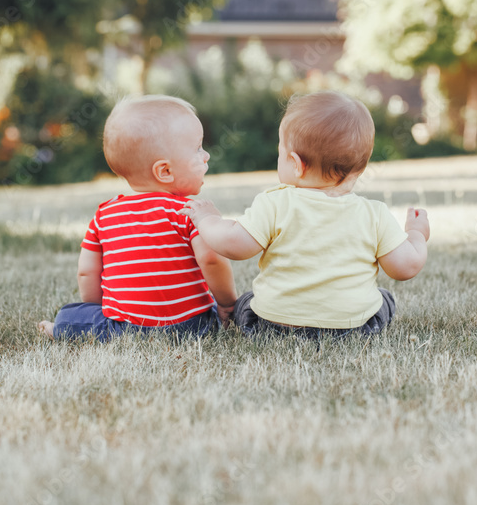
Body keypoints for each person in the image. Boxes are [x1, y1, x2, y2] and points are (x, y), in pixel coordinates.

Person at [182, 91, 429, 338]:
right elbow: (405, 267)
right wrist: (416, 233)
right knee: (384, 299)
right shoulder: (375, 214)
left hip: (273, 328)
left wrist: (207, 218)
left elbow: (233, 244)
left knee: (247, 301)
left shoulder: (275, 203)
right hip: (353, 329)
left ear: (296, 164)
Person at [39, 95, 237, 340]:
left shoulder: (104, 214)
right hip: (193, 326)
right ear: (164, 171)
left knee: (69, 316)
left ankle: (59, 329)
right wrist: (228, 303)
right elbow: (211, 259)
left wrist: (96, 311)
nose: (205, 155)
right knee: (238, 307)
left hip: (122, 329)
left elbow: (86, 272)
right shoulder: (190, 212)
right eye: (197, 148)